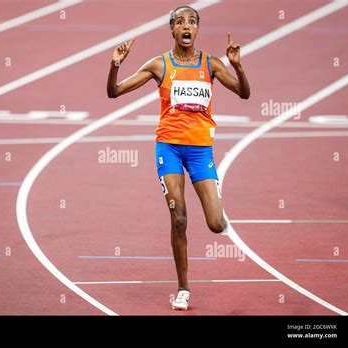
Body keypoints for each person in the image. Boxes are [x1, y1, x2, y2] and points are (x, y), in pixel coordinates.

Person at [107, 5, 250, 310]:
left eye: (193, 22)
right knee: (179, 218)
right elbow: (114, 92)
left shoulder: (210, 64)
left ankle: (217, 201)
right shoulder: (160, 65)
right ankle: (183, 288)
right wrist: (115, 65)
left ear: (197, 30)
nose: (187, 26)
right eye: (181, 22)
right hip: (168, 148)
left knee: (215, 224)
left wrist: (237, 66)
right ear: (172, 29)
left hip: (200, 151)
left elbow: (244, 93)